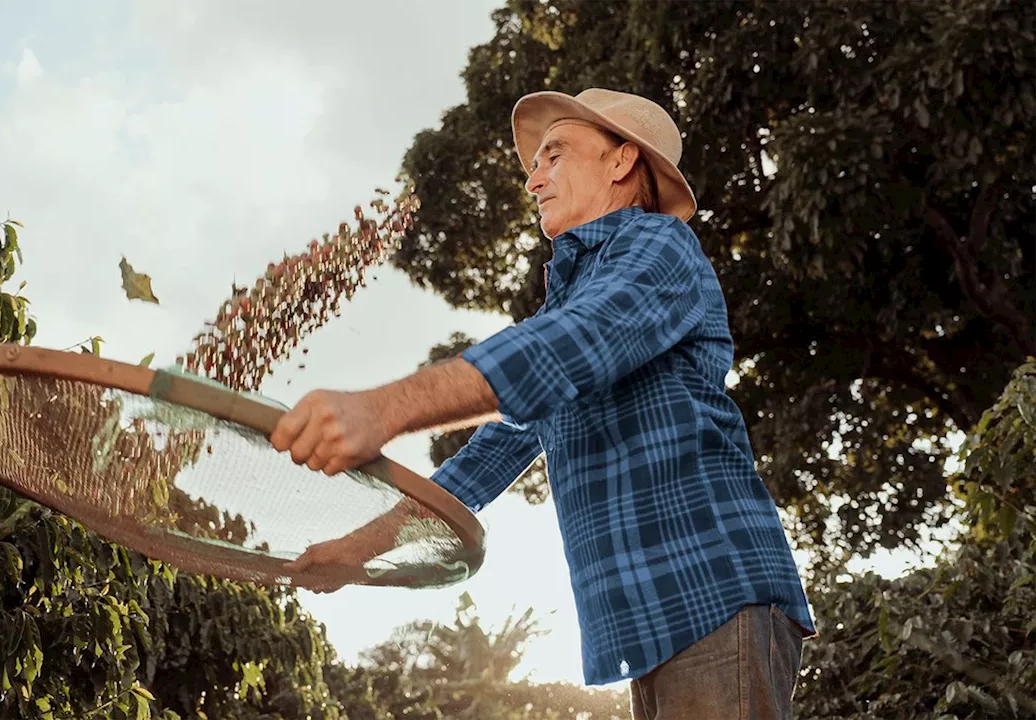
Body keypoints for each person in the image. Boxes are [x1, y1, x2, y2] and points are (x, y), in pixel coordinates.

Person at [269, 88, 816, 719]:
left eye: (554, 155)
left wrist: (384, 408)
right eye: (536, 163)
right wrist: (359, 547)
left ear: (620, 162)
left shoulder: (661, 247)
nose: (534, 179)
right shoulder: (569, 298)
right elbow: (483, 461)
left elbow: (574, 342)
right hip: (654, 625)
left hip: (712, 589)